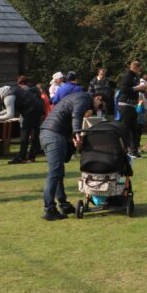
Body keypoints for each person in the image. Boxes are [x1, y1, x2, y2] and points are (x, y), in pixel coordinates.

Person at [38, 90, 105, 220]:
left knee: (58, 172)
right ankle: (49, 209)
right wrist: (77, 133)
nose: (99, 109)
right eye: (101, 105)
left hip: (50, 133)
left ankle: (64, 205)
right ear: (98, 97)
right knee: (54, 173)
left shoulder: (79, 97)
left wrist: (73, 135)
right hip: (53, 134)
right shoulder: (84, 98)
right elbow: (76, 115)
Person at [0, 76, 44, 164]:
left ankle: (21, 157)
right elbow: (7, 110)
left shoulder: (8, 97)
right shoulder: (14, 90)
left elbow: (10, 114)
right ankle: (31, 156)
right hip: (38, 109)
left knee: (24, 135)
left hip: (30, 112)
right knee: (34, 133)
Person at [117, 61, 147, 158]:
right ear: (136, 68)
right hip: (125, 105)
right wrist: (136, 88)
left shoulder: (135, 77)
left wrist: (142, 88)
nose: (140, 70)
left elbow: (136, 89)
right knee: (126, 129)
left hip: (132, 105)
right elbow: (123, 89)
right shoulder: (127, 76)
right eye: (139, 68)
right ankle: (125, 150)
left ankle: (134, 151)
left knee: (134, 129)